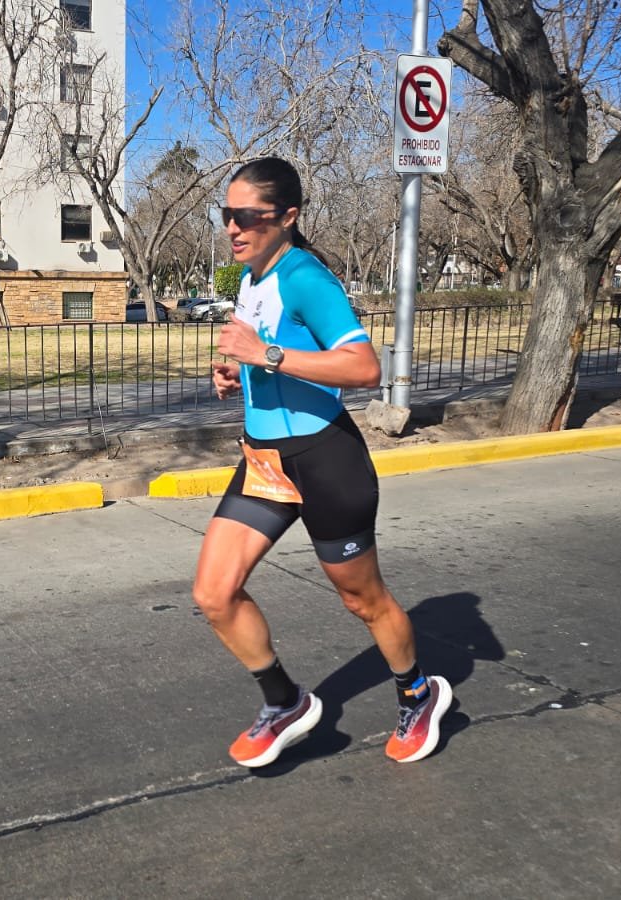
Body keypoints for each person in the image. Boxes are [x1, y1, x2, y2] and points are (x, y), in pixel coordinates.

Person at [197, 156, 450, 768]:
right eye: (227, 214)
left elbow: (365, 368)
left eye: (247, 216)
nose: (233, 227)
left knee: (363, 600)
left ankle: (418, 694)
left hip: (324, 459)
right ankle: (284, 702)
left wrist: (266, 355)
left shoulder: (306, 277)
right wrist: (237, 372)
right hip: (264, 461)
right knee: (214, 593)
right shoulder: (251, 278)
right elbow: (264, 354)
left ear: (287, 217)